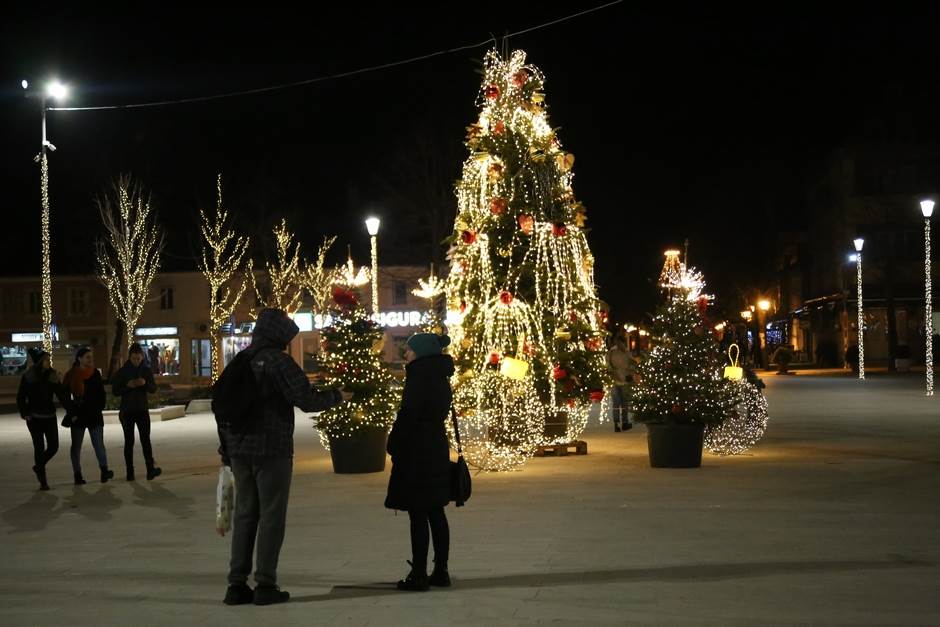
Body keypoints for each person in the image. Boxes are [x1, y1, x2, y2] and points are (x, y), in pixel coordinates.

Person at [216, 308, 351, 606]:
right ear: (279, 335)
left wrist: (226, 448)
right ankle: (265, 584)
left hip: (239, 450)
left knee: (245, 514)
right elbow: (305, 399)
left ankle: (236, 585)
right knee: (272, 516)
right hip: (271, 449)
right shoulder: (278, 361)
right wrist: (337, 396)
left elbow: (221, 405)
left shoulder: (241, 359)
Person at [385, 332, 454, 591]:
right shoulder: (440, 377)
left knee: (418, 512)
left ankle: (419, 573)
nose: (407, 354)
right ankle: (441, 570)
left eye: (410, 350)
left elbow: (408, 417)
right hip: (435, 447)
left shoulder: (418, 378)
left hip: (417, 451)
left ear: (422, 353)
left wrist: (394, 444)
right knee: (436, 510)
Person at [16, 348, 66, 490]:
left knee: (53, 446)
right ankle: (43, 481)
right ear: (39, 362)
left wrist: (71, 410)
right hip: (34, 418)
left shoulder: (52, 375)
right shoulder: (29, 376)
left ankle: (38, 466)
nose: (48, 362)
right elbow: (21, 396)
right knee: (38, 447)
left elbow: (61, 394)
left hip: (49, 416)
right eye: (45, 359)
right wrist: (25, 412)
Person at [63, 347, 113, 485]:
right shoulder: (71, 375)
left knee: (99, 444)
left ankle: (104, 470)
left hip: (94, 414)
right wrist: (71, 413)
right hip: (78, 415)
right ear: (79, 358)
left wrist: (99, 407)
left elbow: (100, 393)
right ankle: (77, 474)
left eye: (91, 357)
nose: (90, 360)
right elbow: (65, 397)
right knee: (76, 446)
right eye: (87, 357)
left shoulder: (95, 373)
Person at [112, 343, 161, 481]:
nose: (137, 361)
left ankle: (150, 469)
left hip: (142, 410)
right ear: (130, 357)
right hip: (127, 411)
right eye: (134, 358)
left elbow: (153, 389)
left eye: (139, 358)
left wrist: (145, 383)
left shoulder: (146, 370)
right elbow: (115, 391)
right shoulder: (122, 372)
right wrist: (127, 386)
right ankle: (130, 472)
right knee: (129, 441)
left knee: (146, 440)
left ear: (142, 357)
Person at [606, 329, 635, 432]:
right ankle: (624, 423)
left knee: (616, 404)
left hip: (615, 380)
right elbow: (631, 366)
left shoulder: (611, 353)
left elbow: (608, 366)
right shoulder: (625, 353)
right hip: (623, 381)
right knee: (624, 404)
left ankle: (617, 424)